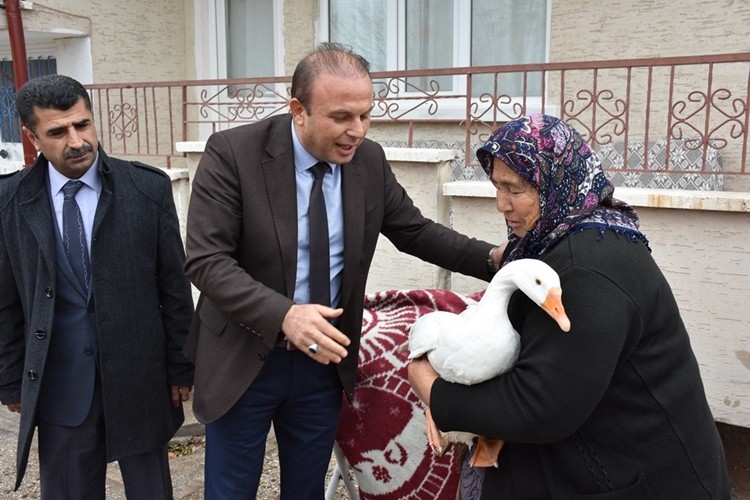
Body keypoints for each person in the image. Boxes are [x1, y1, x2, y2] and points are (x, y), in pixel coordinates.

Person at [184, 42, 502, 499]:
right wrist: (285, 316)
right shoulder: (234, 153)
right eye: (341, 117)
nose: (357, 131)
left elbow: (416, 232)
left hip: (324, 362)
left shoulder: (367, 162)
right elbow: (207, 260)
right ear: (298, 109)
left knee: (306, 490)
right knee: (230, 491)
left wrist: (496, 261)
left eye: (365, 115)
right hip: (244, 356)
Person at [408, 114, 731, 499]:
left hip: (637, 478)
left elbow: (538, 406)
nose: (500, 204)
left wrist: (432, 389)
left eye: (515, 189)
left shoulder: (586, 270)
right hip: (603, 463)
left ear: (556, 183)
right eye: (496, 186)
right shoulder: (562, 235)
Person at [0, 74, 194, 499]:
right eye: (57, 131)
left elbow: (174, 287)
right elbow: (6, 300)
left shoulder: (147, 189)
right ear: (32, 136)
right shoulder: (10, 201)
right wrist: (12, 378)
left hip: (140, 379)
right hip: (60, 385)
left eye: (82, 125)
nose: (76, 141)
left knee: (150, 492)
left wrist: (181, 365)